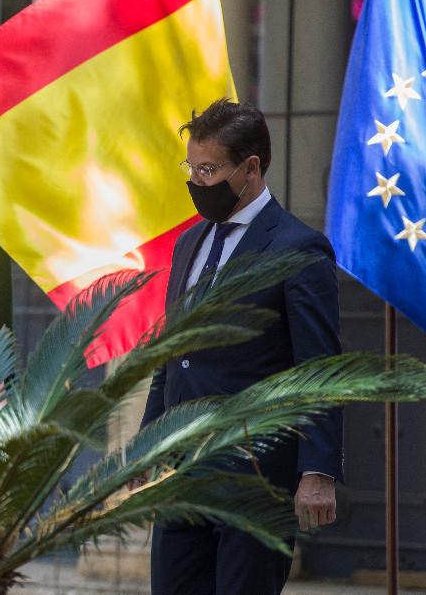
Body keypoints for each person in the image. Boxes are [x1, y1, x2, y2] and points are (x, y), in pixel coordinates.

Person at [141, 99, 342, 595]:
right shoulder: (188, 244)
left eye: (208, 170)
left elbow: (318, 369)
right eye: (192, 166)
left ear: (250, 168)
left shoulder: (297, 248)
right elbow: (173, 355)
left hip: (255, 475)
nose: (196, 181)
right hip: (182, 472)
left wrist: (318, 471)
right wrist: (147, 446)